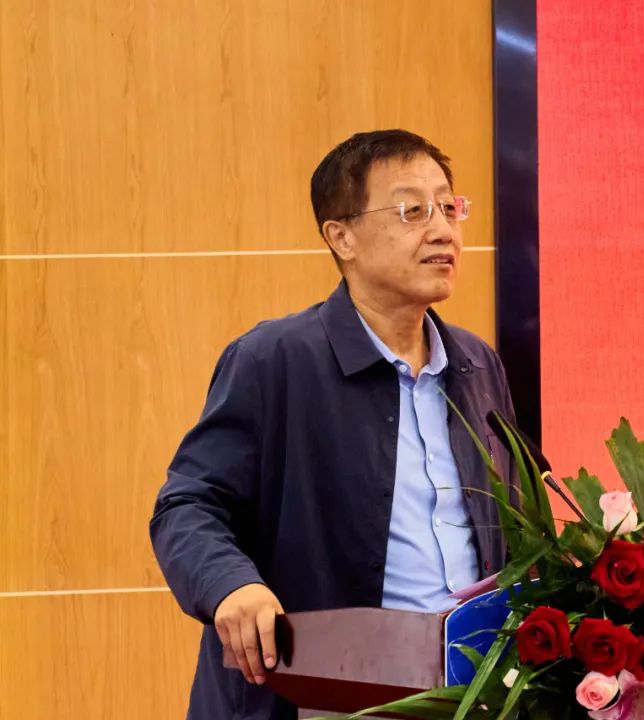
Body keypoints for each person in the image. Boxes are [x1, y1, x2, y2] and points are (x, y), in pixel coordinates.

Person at [150, 130, 516, 719]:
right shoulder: (275, 360)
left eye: (449, 208)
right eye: (412, 211)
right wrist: (231, 585)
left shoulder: (476, 363)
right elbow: (188, 505)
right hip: (323, 692)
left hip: (468, 693)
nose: (443, 230)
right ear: (341, 236)